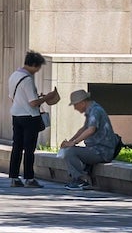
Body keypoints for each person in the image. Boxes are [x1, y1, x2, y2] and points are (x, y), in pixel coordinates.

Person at [7, 51, 58, 186]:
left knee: (17, 146)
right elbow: (33, 103)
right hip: (29, 116)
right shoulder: (27, 80)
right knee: (29, 149)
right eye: (38, 67)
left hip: (16, 114)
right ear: (34, 65)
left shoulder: (14, 76)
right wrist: (48, 97)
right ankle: (29, 178)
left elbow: (12, 97)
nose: (38, 70)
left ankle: (14, 177)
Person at [55, 89, 120, 189]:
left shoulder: (95, 111)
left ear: (82, 103)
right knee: (69, 150)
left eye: (75, 105)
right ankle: (78, 177)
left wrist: (74, 143)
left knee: (70, 152)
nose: (75, 108)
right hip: (96, 149)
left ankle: (80, 180)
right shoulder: (91, 111)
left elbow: (91, 130)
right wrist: (70, 141)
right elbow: (84, 129)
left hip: (101, 151)